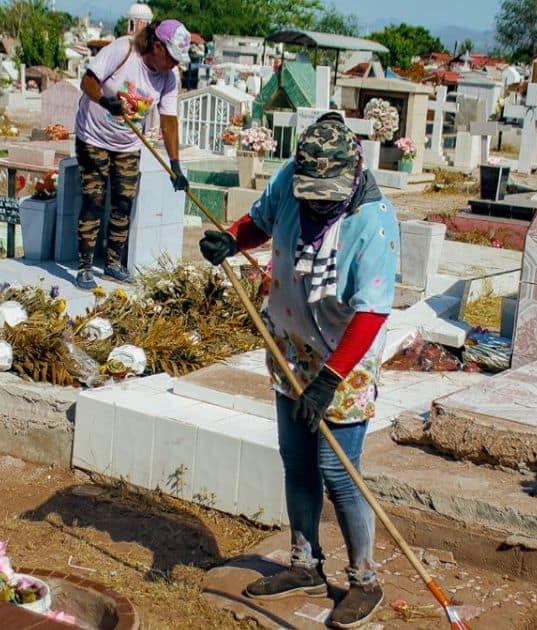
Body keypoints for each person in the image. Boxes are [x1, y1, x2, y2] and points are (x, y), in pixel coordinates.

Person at [198, 113, 399, 629]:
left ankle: (364, 580)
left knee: (338, 471)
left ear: (352, 178)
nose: (314, 204)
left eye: (325, 196)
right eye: (309, 194)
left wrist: (329, 381)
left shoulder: (373, 222)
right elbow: (262, 221)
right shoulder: (292, 179)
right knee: (296, 460)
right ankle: (304, 564)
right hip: (289, 345)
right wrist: (232, 239)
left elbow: (372, 311)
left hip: (343, 356)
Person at [72, 19, 191, 289]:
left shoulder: (170, 77)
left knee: (123, 203)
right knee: (94, 198)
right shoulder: (123, 50)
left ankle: (113, 264)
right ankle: (85, 266)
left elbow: (169, 120)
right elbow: (88, 82)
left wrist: (175, 166)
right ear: (157, 46)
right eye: (172, 57)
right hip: (93, 137)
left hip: (127, 144)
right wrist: (104, 100)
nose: (175, 64)